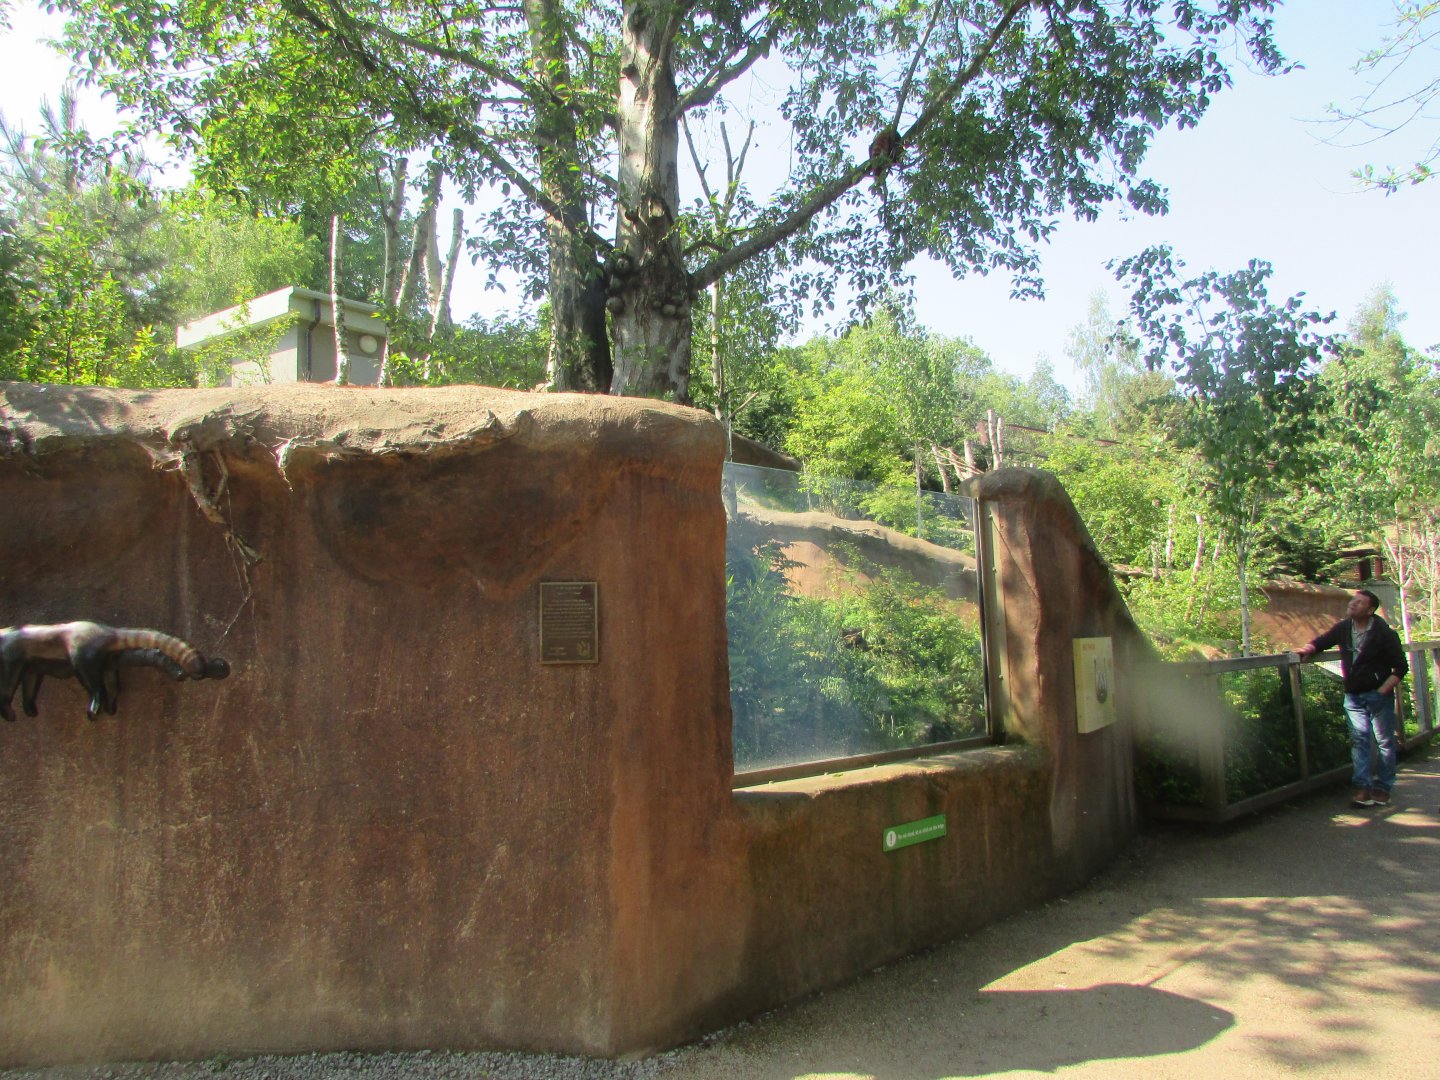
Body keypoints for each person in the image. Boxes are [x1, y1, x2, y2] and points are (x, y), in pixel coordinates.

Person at [1295, 589, 1409, 808]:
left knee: (1384, 742)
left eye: (1359, 602)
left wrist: (1383, 690)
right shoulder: (1344, 627)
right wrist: (1306, 649)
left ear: (1370, 609)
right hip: (1354, 695)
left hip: (1378, 695)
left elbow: (1400, 667)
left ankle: (1383, 788)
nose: (1353, 604)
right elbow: (1322, 641)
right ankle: (1363, 788)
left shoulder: (1384, 633)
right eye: (1353, 601)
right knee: (1359, 740)